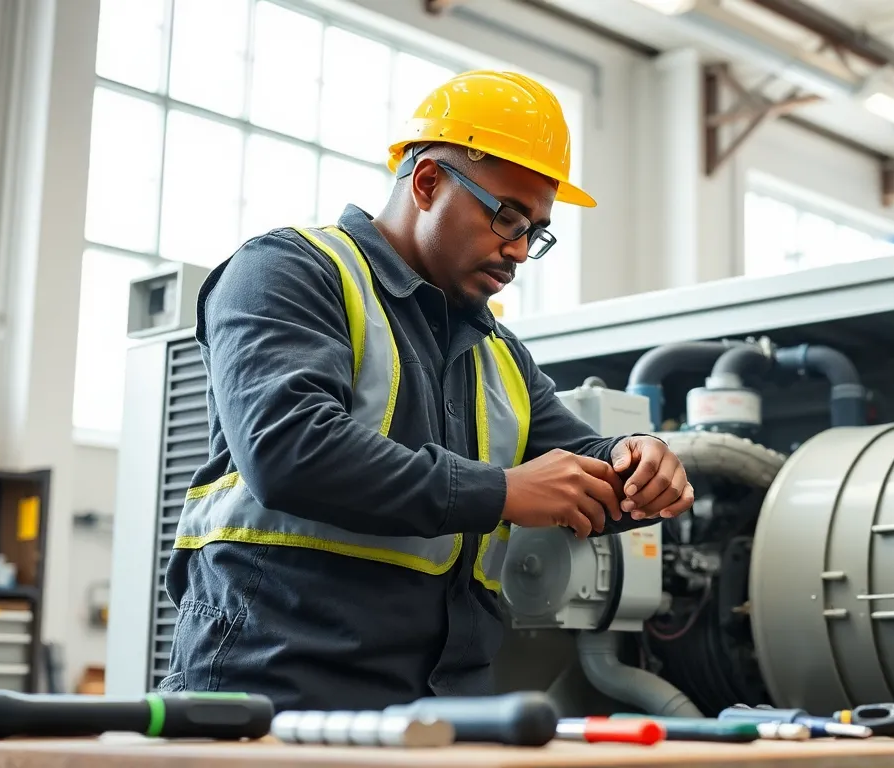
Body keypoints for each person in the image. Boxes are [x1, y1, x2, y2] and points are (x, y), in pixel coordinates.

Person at [159, 70, 695, 711]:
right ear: (427, 181)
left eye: (537, 230)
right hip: (275, 698)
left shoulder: (499, 356)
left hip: (445, 710)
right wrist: (502, 492)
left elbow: (584, 471)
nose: (520, 250)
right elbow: (289, 450)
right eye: (507, 217)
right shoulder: (289, 273)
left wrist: (639, 464)